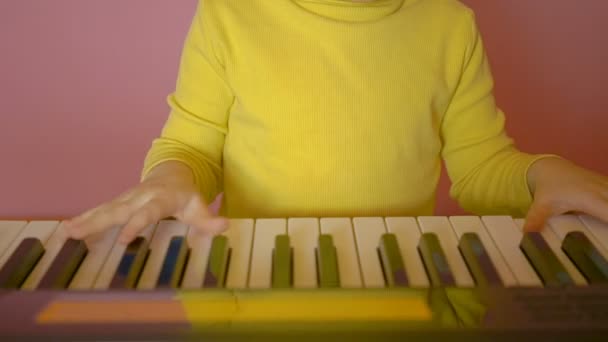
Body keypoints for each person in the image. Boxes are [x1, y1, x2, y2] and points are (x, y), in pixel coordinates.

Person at [65, 0, 608, 245]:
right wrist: (169, 178)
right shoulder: (228, 13)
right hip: (251, 283)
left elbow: (481, 164)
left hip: (397, 280)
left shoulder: (450, 24)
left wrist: (543, 172)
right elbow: (193, 148)